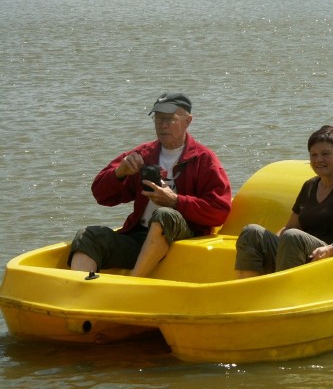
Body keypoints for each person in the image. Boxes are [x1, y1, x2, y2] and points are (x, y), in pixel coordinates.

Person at [68, 92, 232, 277]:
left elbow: (220, 211)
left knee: (164, 215)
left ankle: (132, 283)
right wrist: (119, 173)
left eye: (170, 119)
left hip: (185, 241)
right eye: (158, 119)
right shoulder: (143, 154)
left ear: (188, 121)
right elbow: (101, 194)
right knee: (88, 236)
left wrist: (175, 201)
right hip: (140, 237)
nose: (162, 125)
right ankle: (79, 292)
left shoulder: (204, 159)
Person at [235, 126, 333, 278]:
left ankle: (282, 290)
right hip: (302, 253)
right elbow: (289, 227)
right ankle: (248, 288)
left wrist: (331, 249)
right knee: (252, 232)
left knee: (293, 237)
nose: (318, 159)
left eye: (325, 154)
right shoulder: (309, 186)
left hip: (331, 256)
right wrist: (268, 245)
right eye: (314, 155)